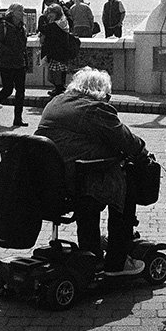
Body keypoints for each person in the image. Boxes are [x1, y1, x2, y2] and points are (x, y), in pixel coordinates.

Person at [36, 66, 148, 275]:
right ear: (101, 92)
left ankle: (92, 249)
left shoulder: (56, 102)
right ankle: (117, 260)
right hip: (77, 180)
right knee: (123, 188)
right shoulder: (96, 109)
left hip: (50, 180)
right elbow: (128, 141)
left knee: (90, 187)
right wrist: (144, 152)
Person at [0, 3, 28, 127]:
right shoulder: (4, 26)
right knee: (7, 90)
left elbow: (23, 45)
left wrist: (24, 59)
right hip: (6, 62)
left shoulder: (22, 27)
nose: (22, 14)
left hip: (19, 62)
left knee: (20, 91)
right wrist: (8, 50)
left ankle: (18, 118)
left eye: (22, 11)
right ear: (12, 12)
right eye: (19, 11)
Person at [40, 2, 71, 97]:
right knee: (54, 77)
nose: (49, 15)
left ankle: (59, 91)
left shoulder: (56, 25)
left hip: (57, 54)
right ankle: (59, 89)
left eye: (51, 13)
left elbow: (44, 30)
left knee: (55, 77)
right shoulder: (63, 23)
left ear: (57, 13)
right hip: (59, 54)